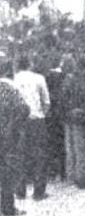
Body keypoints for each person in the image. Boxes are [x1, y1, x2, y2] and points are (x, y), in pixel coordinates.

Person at [12, 55, 52, 201]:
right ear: (30, 64)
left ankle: (20, 189)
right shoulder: (39, 78)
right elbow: (46, 101)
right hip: (37, 119)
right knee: (40, 155)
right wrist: (42, 113)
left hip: (20, 121)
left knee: (20, 154)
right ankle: (39, 190)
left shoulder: (14, 80)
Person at [62, 58, 85, 189]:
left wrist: (71, 110)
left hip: (76, 116)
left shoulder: (71, 80)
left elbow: (65, 98)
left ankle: (81, 178)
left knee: (79, 149)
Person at [1, 57, 29, 216]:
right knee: (7, 171)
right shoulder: (10, 89)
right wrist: (13, 126)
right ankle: (7, 207)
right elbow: (24, 108)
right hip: (6, 137)